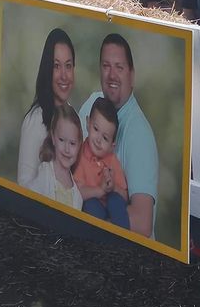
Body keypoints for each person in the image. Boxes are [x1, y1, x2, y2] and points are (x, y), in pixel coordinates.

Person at [78, 34, 158, 237]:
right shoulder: (92, 103)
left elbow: (142, 222)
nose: (111, 75)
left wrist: (87, 225)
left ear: (132, 76)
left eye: (119, 67)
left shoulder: (138, 133)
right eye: (106, 66)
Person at [18, 28, 76, 189]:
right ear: (46, 70)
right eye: (56, 66)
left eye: (68, 66)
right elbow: (24, 185)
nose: (64, 75)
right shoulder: (35, 120)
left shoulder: (71, 115)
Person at [74, 97, 129, 228]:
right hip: (91, 204)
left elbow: (125, 197)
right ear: (88, 123)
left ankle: (124, 242)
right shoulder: (79, 154)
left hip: (111, 207)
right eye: (96, 129)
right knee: (91, 206)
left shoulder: (112, 160)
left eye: (105, 138)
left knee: (116, 201)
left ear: (112, 145)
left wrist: (113, 187)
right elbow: (77, 193)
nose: (98, 140)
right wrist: (101, 190)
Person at [29, 104, 84, 210]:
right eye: (61, 140)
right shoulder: (45, 173)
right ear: (53, 138)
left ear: (79, 145)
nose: (67, 149)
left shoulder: (77, 196)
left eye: (72, 143)